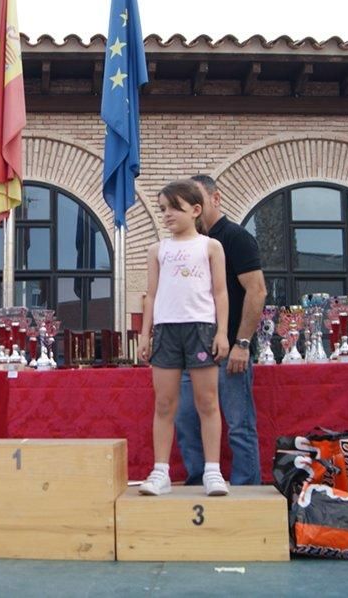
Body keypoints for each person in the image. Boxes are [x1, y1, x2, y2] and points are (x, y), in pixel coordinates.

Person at [137, 179, 230, 497]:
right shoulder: (156, 250)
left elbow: (220, 291)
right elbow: (151, 294)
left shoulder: (210, 246)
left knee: (207, 402)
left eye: (174, 208)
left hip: (201, 329)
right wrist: (144, 334)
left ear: (195, 209)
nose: (167, 215)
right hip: (166, 330)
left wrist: (222, 332)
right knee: (164, 404)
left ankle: (213, 471)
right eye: (163, 209)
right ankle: (160, 471)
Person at [174, 175, 266, 486]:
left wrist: (242, 342)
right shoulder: (188, 245)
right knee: (185, 418)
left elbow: (257, 290)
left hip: (230, 351)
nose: (193, 208)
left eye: (197, 200)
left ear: (215, 199)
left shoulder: (237, 238)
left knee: (239, 424)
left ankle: (245, 489)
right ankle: (199, 480)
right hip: (192, 351)